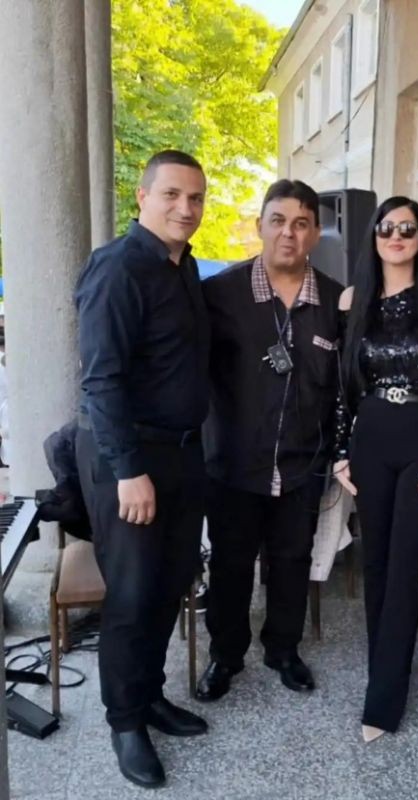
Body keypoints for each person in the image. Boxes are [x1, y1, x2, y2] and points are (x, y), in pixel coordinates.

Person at [75, 150, 211, 790]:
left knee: (170, 582)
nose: (186, 208)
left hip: (182, 453)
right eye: (172, 195)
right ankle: (125, 722)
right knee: (131, 596)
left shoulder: (183, 267)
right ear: (142, 196)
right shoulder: (117, 267)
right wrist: (129, 470)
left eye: (196, 197)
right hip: (129, 458)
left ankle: (150, 695)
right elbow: (100, 380)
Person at [196, 179, 342, 702]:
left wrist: (339, 452)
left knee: (292, 560)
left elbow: (345, 387)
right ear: (259, 225)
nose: (288, 233)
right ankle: (225, 654)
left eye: (301, 224)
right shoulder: (220, 295)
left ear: (316, 233)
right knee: (230, 563)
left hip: (303, 465)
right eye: (278, 221)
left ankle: (283, 649)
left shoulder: (336, 302)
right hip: (233, 462)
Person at [333, 196, 418, 742]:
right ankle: (383, 661)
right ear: (375, 236)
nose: (397, 236)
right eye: (387, 227)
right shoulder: (352, 301)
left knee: (405, 563)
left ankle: (383, 703)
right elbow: (343, 384)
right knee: (376, 561)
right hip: (372, 438)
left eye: (408, 228)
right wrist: (340, 451)